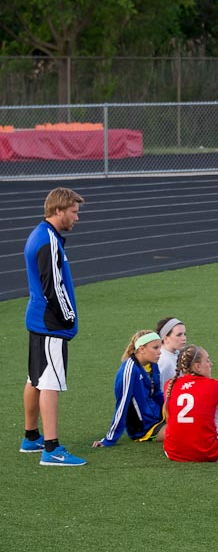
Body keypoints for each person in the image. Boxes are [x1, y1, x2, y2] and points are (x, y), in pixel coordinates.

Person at [22, 187, 87, 466]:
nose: (77, 218)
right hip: (50, 324)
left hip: (39, 320)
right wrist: (68, 317)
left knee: (34, 380)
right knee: (49, 383)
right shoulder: (47, 240)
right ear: (58, 211)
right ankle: (52, 448)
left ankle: (31, 437)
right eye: (74, 212)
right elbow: (53, 287)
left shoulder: (43, 235)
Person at [163, 345, 218, 462]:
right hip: (209, 453)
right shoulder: (214, 386)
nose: (211, 364)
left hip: (172, 452)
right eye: (208, 361)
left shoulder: (170, 384)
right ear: (197, 367)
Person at [92, 331, 166, 448]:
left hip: (158, 416)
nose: (160, 352)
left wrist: (171, 408)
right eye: (155, 348)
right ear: (141, 349)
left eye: (160, 347)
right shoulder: (129, 370)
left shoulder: (153, 365)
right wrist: (109, 439)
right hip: (144, 426)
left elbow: (156, 393)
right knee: (184, 433)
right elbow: (122, 404)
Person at [155, 317, 187, 385]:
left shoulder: (177, 353)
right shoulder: (163, 362)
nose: (184, 338)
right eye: (179, 335)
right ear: (166, 338)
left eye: (184, 334)